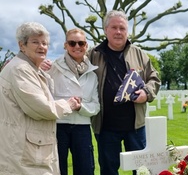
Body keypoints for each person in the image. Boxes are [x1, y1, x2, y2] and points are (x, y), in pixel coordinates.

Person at [0, 22, 81, 175]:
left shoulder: (31, 68)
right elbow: (40, 107)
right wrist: (68, 104)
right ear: (22, 45)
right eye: (35, 42)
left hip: (29, 150)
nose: (42, 46)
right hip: (24, 154)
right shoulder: (20, 69)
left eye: (44, 43)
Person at [88, 10, 161, 175]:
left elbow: (154, 79)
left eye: (122, 28)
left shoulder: (139, 54)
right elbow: (76, 65)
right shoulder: (93, 54)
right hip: (106, 126)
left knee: (141, 170)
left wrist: (146, 93)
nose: (118, 32)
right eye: (114, 27)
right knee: (108, 170)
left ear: (127, 31)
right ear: (106, 30)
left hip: (135, 126)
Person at [47, 28, 100, 175]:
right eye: (72, 43)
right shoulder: (52, 68)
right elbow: (45, 98)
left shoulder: (92, 75)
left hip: (82, 127)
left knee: (85, 169)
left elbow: (95, 106)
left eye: (81, 43)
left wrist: (80, 107)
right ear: (65, 45)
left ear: (86, 45)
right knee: (57, 170)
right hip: (58, 126)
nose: (77, 47)